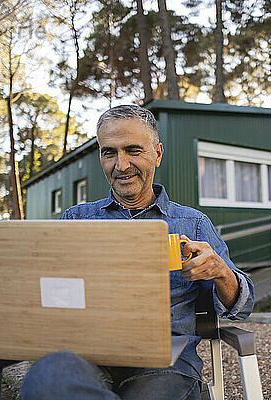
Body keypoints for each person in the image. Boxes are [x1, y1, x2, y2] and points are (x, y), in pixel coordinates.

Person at [20, 104, 255, 400]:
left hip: (164, 366)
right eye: (110, 152)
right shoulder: (75, 220)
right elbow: (45, 296)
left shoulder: (193, 224)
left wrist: (221, 272)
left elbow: (243, 307)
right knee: (48, 377)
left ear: (157, 154)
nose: (121, 165)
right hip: (85, 358)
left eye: (133, 150)